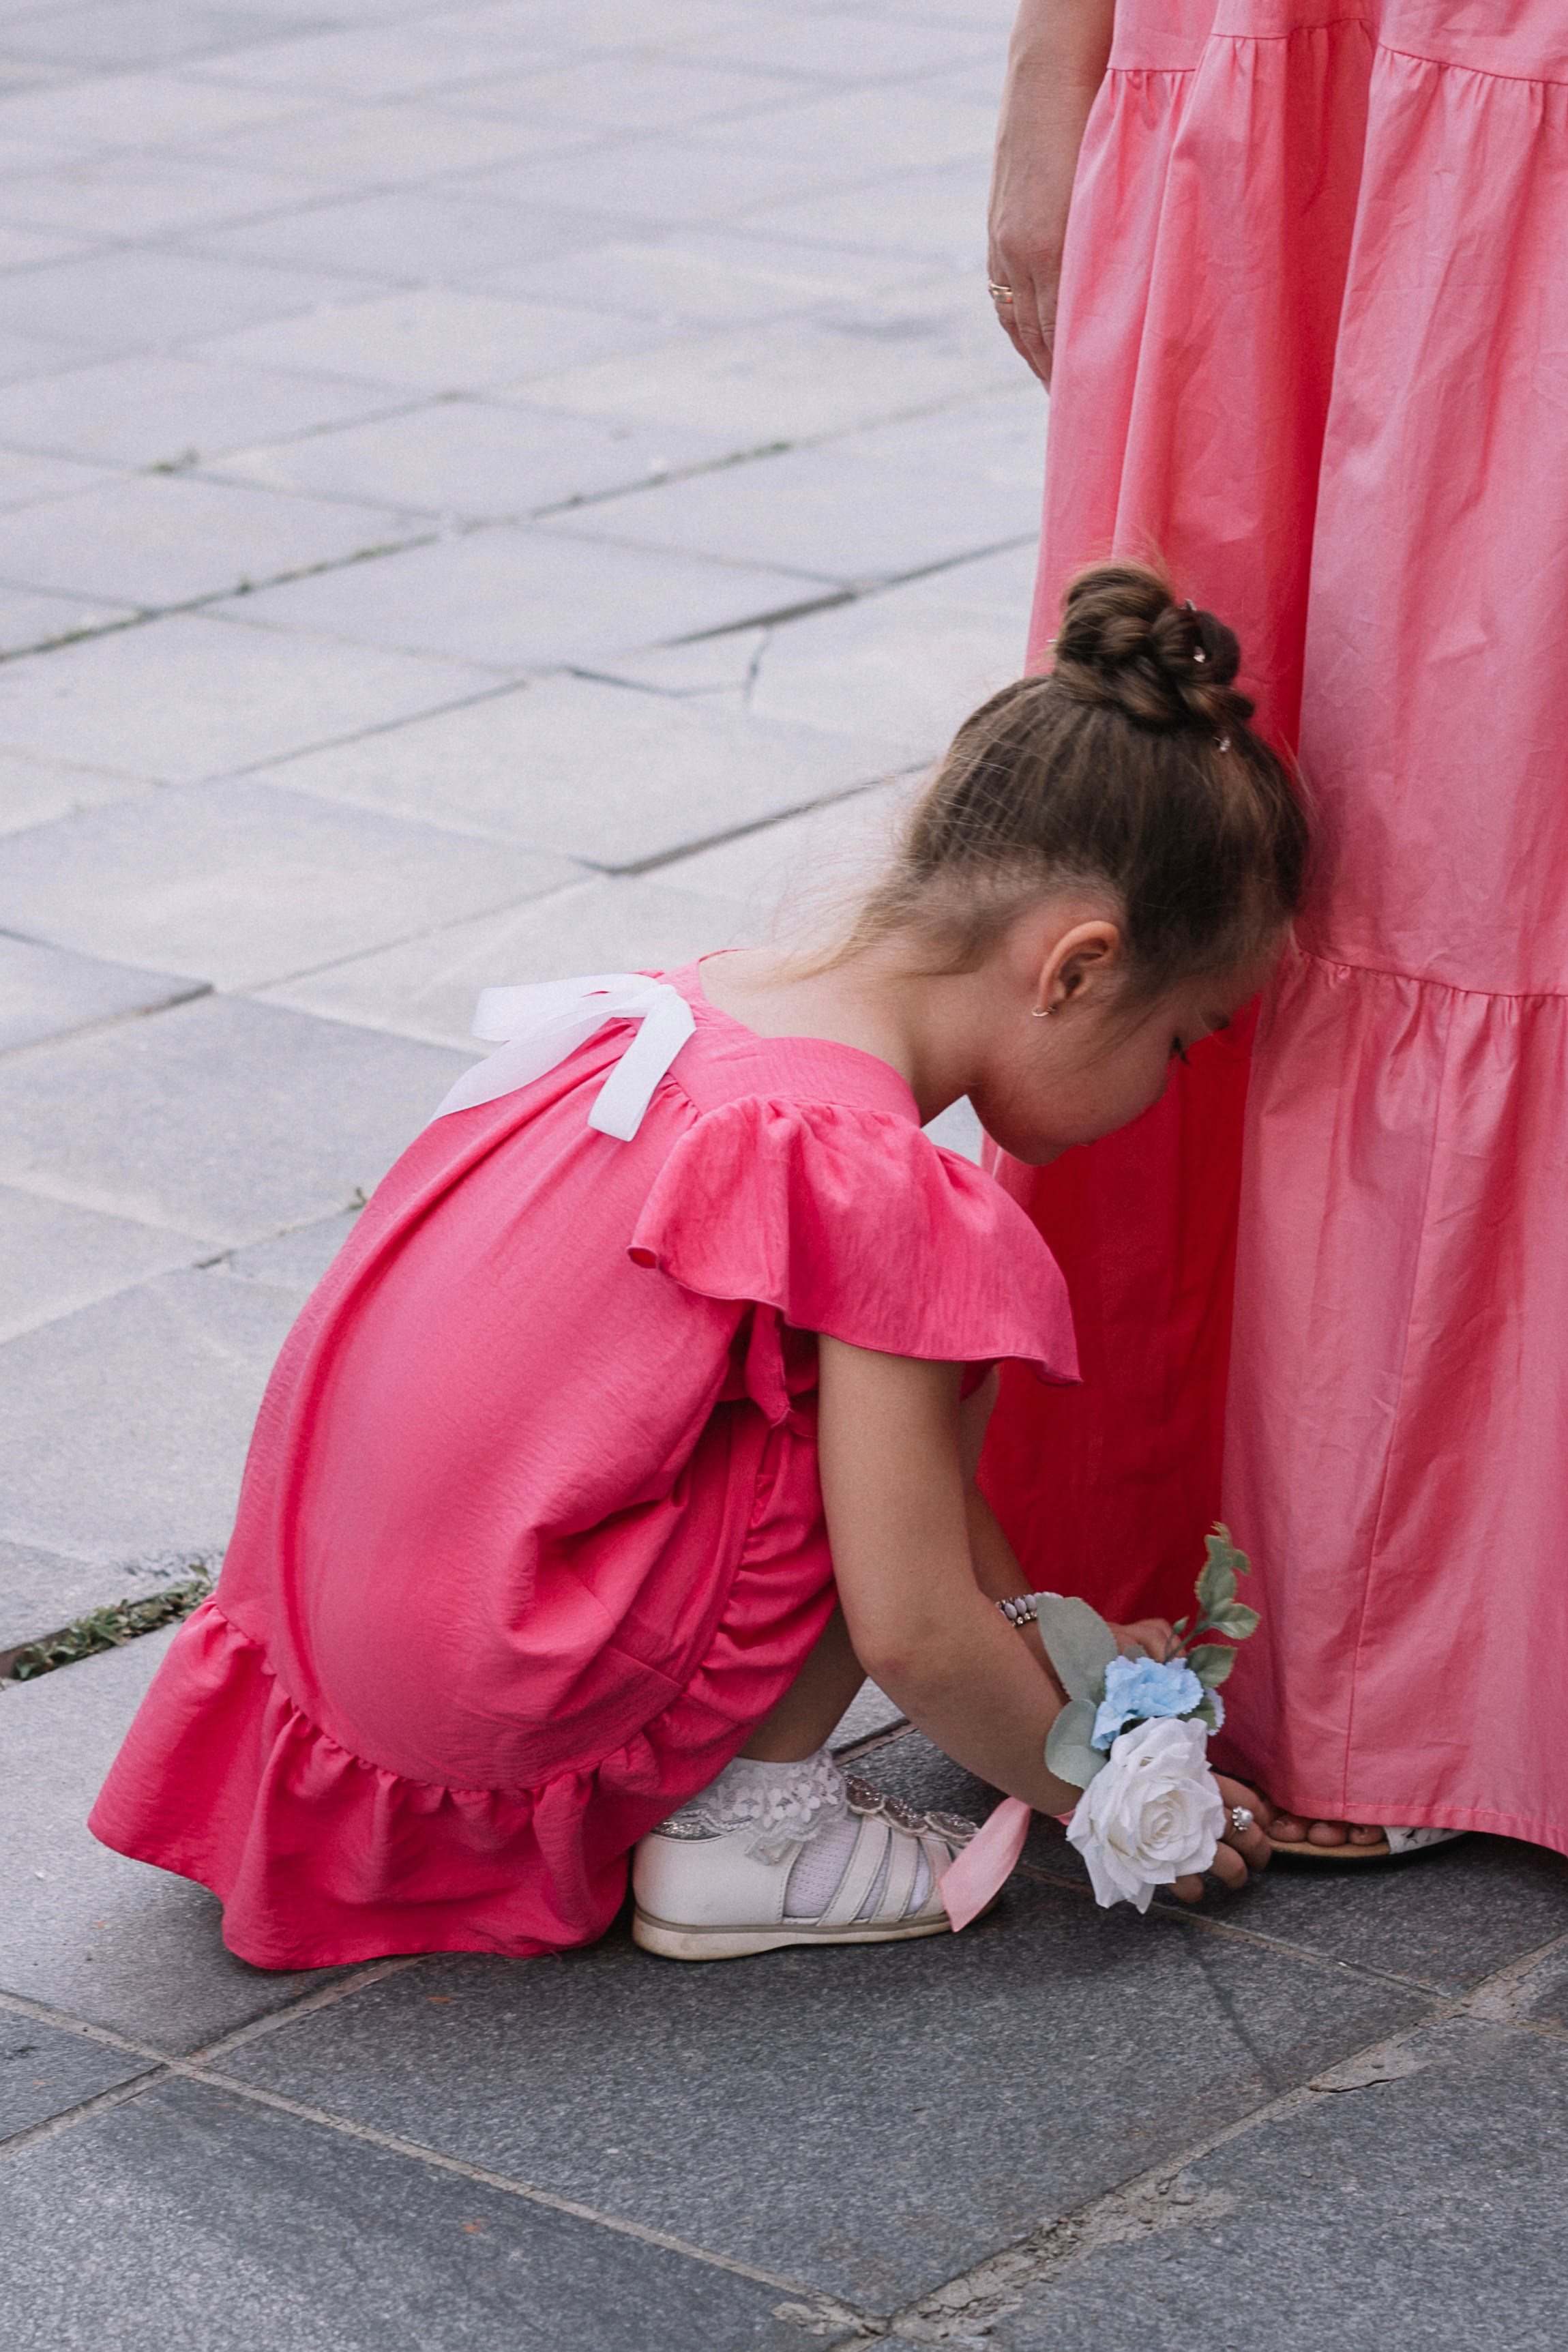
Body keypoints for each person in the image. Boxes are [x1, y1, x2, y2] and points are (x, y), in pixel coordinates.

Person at [89, 568, 1300, 1969]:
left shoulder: (685, 1014)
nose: (1167, 1087)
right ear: (1076, 970)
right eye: (1184, 1039)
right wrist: (1126, 1799)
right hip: (484, 1713)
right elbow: (910, 1626)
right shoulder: (885, 1183)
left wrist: (1049, 1652)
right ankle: (752, 1840)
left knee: (870, 1422)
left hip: (331, 1665)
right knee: (913, 1370)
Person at [983, 0, 1568, 1859]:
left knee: (1476, 813)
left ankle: (1424, 1636)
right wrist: (1043, 78)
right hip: (1283, 60)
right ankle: (1322, 1607)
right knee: (1286, 806)